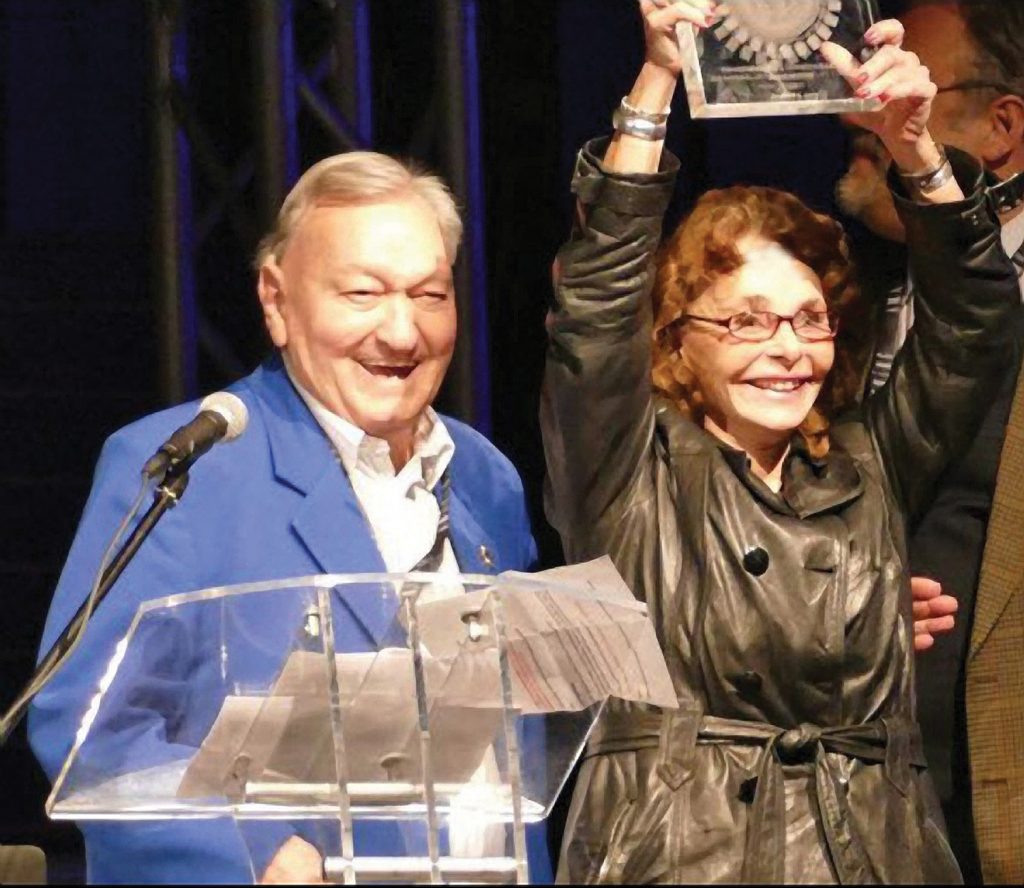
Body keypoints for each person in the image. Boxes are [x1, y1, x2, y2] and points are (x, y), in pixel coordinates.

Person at [541, 0, 1021, 882]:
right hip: (684, 854)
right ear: (679, 337)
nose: (788, 348)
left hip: (872, 853)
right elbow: (595, 308)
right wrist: (655, 79)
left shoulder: (868, 465)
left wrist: (914, 144)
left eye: (809, 319)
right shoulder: (626, 474)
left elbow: (976, 326)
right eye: (747, 322)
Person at [28, 151, 550, 883]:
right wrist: (257, 846)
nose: (402, 334)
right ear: (276, 300)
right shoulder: (186, 469)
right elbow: (91, 726)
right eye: (363, 294)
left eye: (430, 295)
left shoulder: (486, 476)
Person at [837, 1, 1024, 880]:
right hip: (862, 813)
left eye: (909, 89)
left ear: (1002, 126)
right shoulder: (827, 300)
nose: (860, 115)